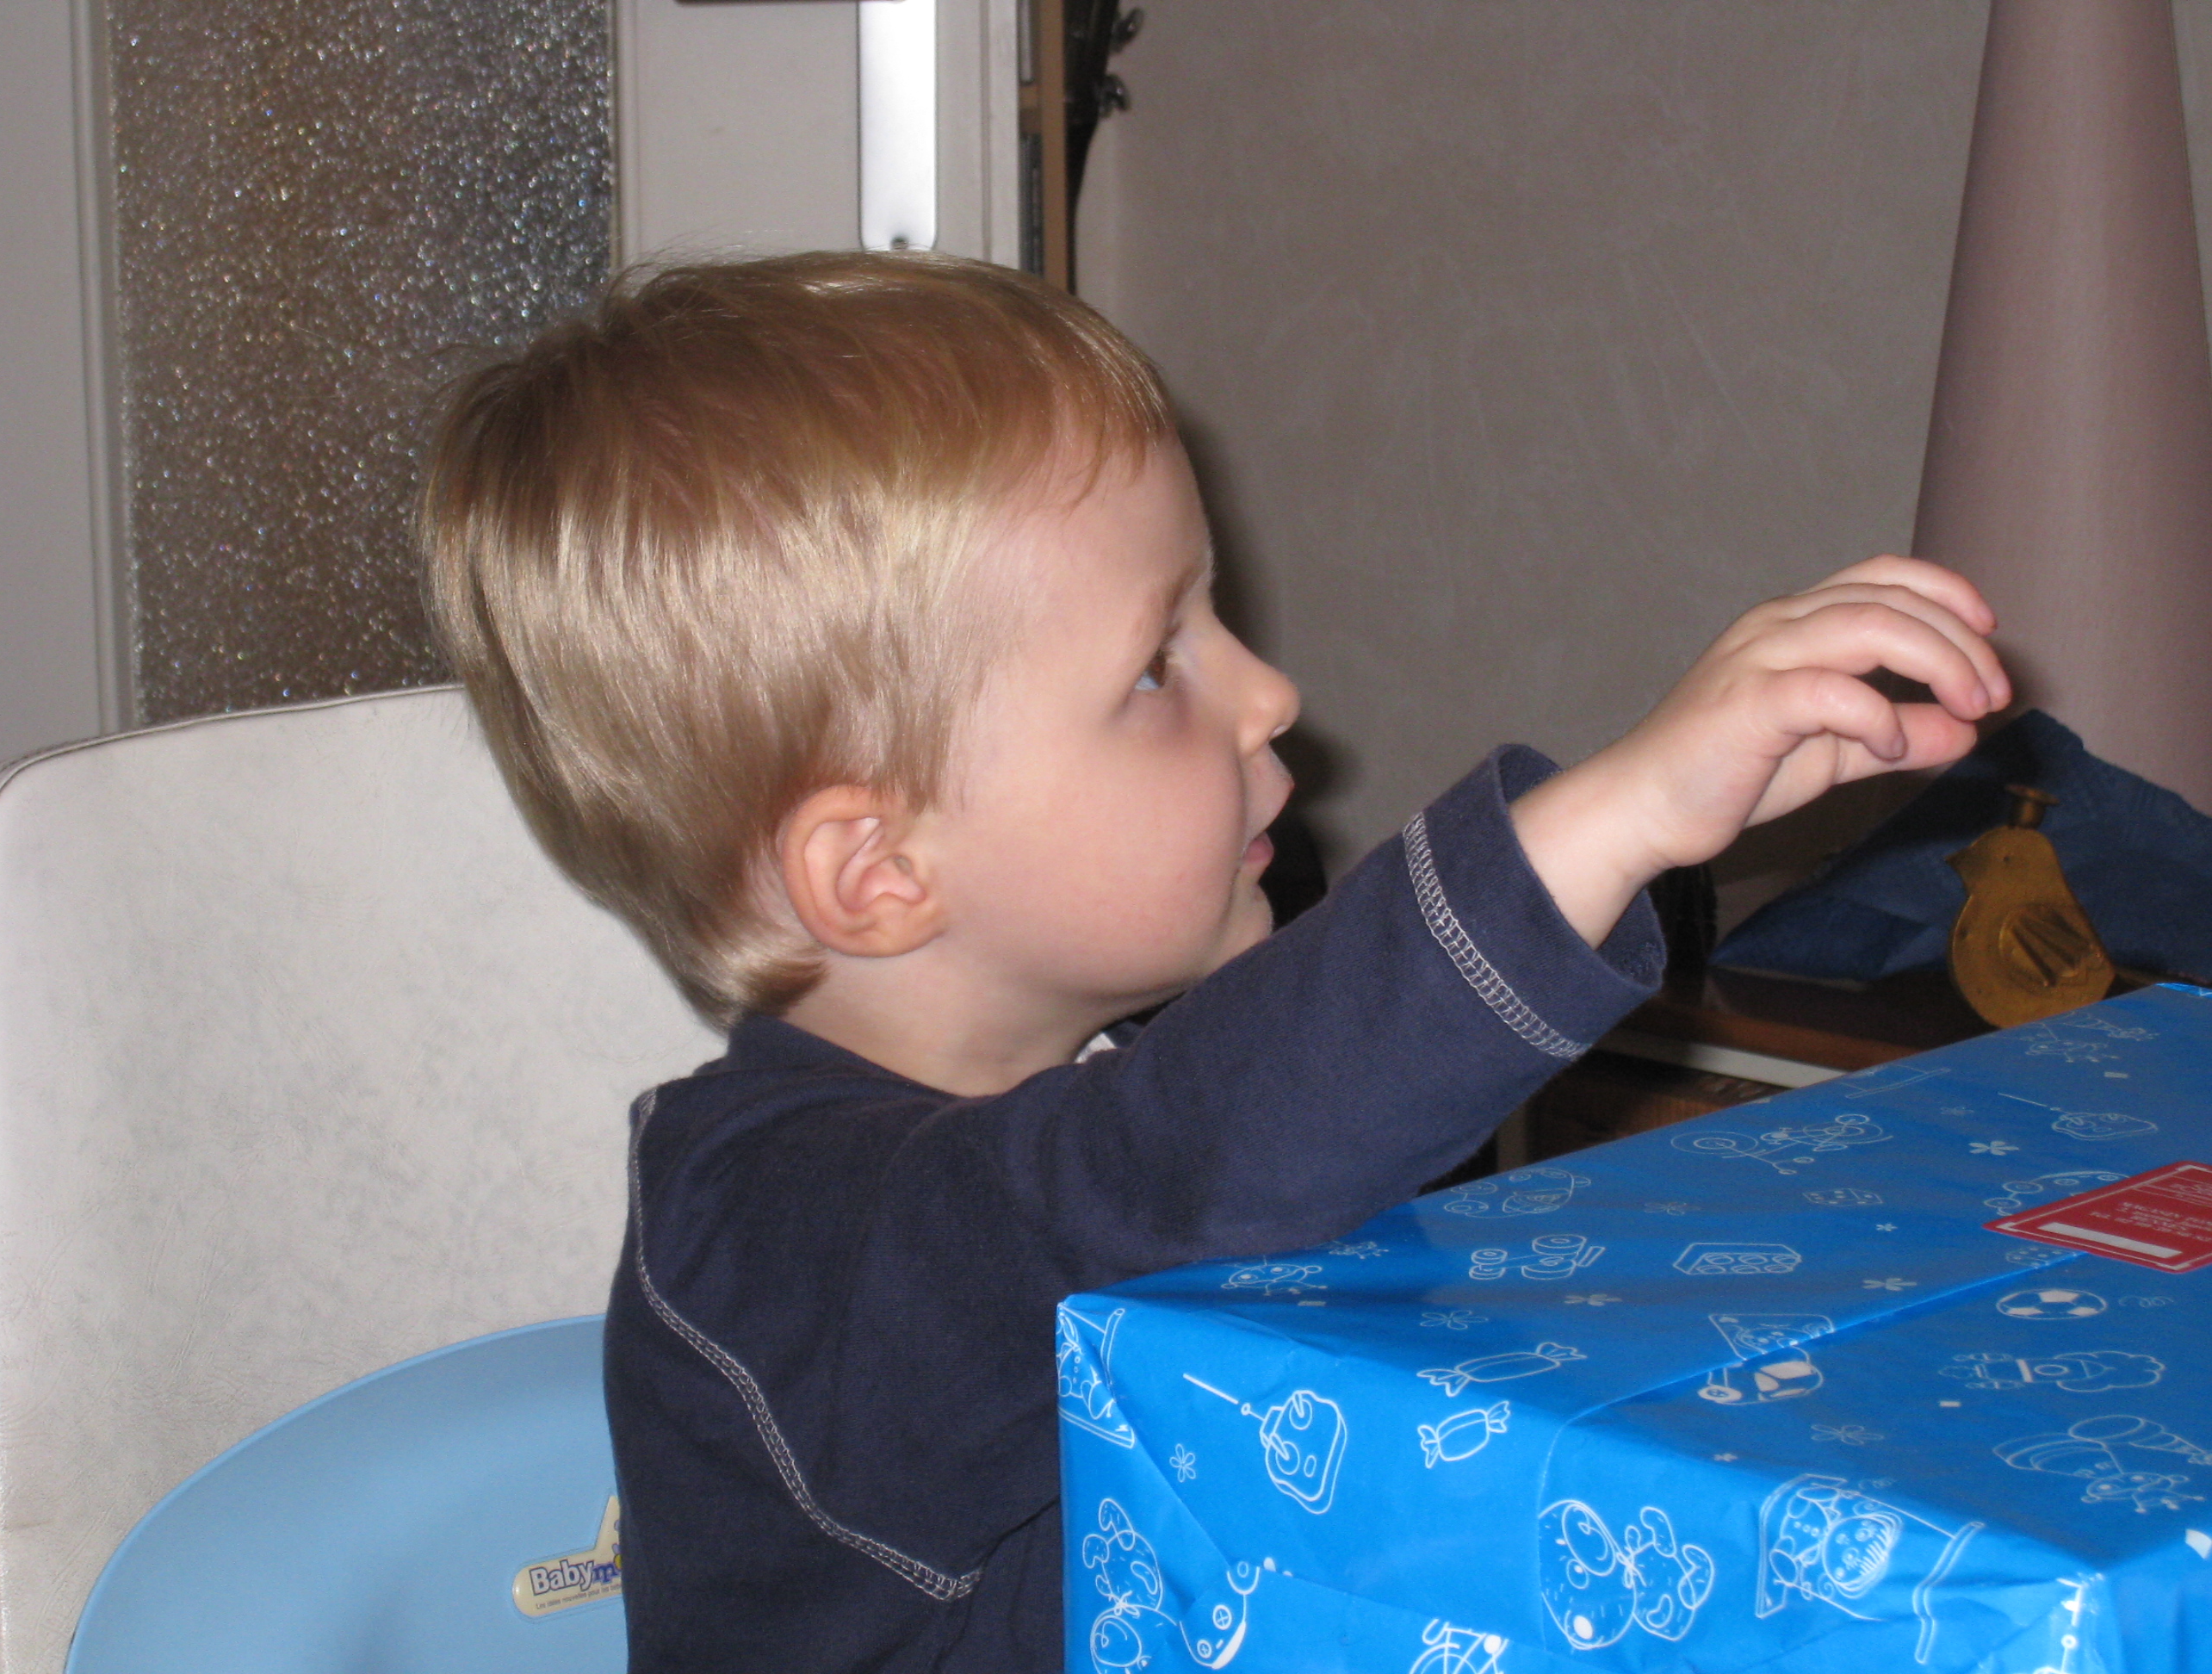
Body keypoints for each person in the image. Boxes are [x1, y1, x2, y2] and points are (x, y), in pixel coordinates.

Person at [418, 251, 2008, 1671]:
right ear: (882, 874)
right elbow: (1160, 1171)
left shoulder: (1109, 1076)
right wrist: (1617, 817)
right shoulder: (775, 1237)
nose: (1269, 694)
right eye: (1156, 666)